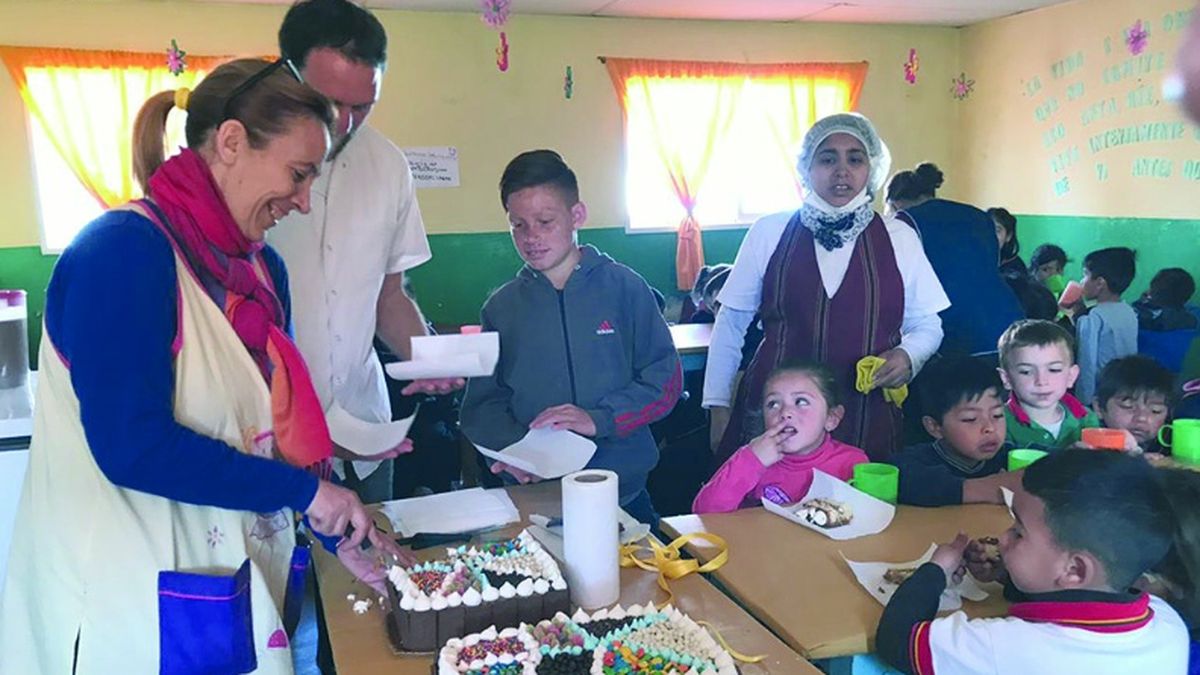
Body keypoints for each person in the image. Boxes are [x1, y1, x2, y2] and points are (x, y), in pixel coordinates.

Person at [0, 59, 400, 673]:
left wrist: (330, 528)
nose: (301, 201)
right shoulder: (123, 254)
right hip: (122, 600)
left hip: (226, 580)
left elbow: (268, 429)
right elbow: (131, 446)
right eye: (297, 175)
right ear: (232, 141)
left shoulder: (263, 273)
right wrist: (303, 491)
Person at [270, 0, 460, 504]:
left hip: (364, 429)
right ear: (286, 74)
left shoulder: (389, 166)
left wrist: (426, 359)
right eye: (328, 102)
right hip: (267, 433)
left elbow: (389, 294)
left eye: (363, 105)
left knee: (374, 569)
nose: (344, 122)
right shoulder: (246, 163)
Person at [704, 113, 949, 463]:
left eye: (855, 158)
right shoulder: (769, 232)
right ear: (807, 167)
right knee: (763, 511)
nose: (842, 170)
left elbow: (927, 324)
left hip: (864, 412)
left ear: (872, 169)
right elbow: (730, 324)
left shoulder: (899, 238)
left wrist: (909, 356)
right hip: (777, 415)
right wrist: (718, 407)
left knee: (860, 511)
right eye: (827, 158)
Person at [459, 150, 682, 526]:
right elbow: (481, 406)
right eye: (518, 225)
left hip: (622, 492)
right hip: (535, 496)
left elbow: (665, 381)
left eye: (545, 221)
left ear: (577, 215)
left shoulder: (625, 288)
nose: (531, 237)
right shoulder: (501, 308)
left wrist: (602, 419)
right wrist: (513, 454)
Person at [876, 449, 1189, 674]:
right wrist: (1010, 577)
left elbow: (897, 639)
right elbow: (1076, 602)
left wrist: (936, 571)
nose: (1002, 538)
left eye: (1019, 532)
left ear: (1074, 570)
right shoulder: (1168, 624)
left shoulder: (1006, 647)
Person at [885, 162, 1022, 356]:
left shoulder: (904, 222)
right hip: (1008, 322)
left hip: (957, 330)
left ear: (894, 203)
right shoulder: (977, 215)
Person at [692, 361, 867, 513]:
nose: (785, 413)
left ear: (831, 418)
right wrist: (751, 460)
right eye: (773, 404)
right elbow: (704, 511)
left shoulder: (853, 462)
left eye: (801, 402)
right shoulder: (754, 458)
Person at [890, 356, 1019, 507]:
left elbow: (1050, 463)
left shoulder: (1010, 458)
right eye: (970, 419)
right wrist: (990, 488)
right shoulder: (917, 462)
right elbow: (902, 479)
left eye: (997, 415)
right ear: (934, 427)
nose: (989, 427)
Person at [999, 320, 1099, 451]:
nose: (1041, 381)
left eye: (1054, 370)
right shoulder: (998, 423)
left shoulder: (1086, 419)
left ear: (1071, 376)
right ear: (1006, 378)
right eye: (1026, 372)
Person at [1073, 247, 1138, 404]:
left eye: (1085, 275)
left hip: (1098, 394)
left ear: (1100, 283)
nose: (1082, 282)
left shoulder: (1093, 317)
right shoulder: (1129, 311)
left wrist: (1084, 402)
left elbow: (1086, 364)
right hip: (1125, 388)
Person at [1092, 355, 1174, 454]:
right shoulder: (1085, 443)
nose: (1142, 418)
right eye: (1128, 406)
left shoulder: (1171, 447)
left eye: (1155, 410)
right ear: (1099, 408)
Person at [1134, 268, 1199, 332]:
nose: (1148, 291)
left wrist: (1142, 303)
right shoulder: (1190, 319)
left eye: (1152, 289)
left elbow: (1137, 315)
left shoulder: (1147, 318)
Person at [988, 207, 1027, 278]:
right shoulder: (975, 259)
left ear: (1008, 236)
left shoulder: (1016, 268)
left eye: (997, 230)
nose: (991, 234)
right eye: (988, 228)